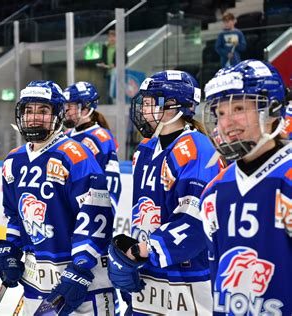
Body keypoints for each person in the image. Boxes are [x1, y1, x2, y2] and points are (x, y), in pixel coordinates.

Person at [0, 80, 116, 315]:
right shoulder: (13, 161)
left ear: (57, 115)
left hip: (82, 285)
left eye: (43, 110)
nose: (34, 117)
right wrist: (11, 250)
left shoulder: (76, 155)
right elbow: (16, 217)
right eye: (29, 110)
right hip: (36, 285)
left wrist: (80, 268)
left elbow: (95, 218)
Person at [107, 70, 224, 315]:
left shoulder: (198, 149)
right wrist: (132, 257)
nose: (144, 109)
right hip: (149, 272)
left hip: (187, 277)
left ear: (175, 106)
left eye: (152, 102)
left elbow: (195, 221)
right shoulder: (146, 149)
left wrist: (141, 251)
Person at [200, 59, 291, 315]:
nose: (226, 123)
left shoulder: (288, 181)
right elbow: (218, 280)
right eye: (220, 113)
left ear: (272, 110)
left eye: (238, 108)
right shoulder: (214, 192)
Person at [63, 81, 121, 212]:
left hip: (88, 208)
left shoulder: (102, 137)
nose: (66, 110)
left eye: (70, 106)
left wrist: (107, 211)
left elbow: (111, 180)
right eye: (65, 105)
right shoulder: (66, 135)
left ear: (85, 108)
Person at [97, 29, 117, 104]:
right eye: (110, 37)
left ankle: (117, 104)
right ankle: (110, 104)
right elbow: (103, 57)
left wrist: (115, 64)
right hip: (108, 72)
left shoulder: (119, 47)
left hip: (117, 73)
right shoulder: (105, 47)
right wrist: (102, 63)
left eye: (113, 37)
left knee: (116, 90)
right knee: (109, 90)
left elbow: (124, 59)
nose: (111, 38)